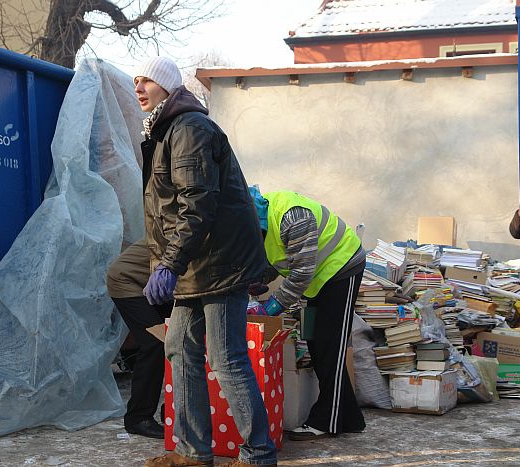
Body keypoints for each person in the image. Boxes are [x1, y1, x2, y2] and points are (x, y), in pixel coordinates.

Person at [135, 57, 277, 467]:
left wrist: (168, 266)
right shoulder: (164, 132)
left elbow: (196, 205)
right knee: (179, 348)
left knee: (226, 356)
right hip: (196, 263)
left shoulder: (190, 129)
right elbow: (167, 212)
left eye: (146, 80)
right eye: (135, 81)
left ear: (166, 86)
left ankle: (258, 455)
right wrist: (166, 264)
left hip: (219, 263)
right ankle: (193, 453)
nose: (139, 87)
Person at [249, 187, 366, 440]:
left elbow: (300, 274)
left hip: (341, 269)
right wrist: (259, 279)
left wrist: (270, 308)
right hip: (318, 281)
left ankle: (326, 421)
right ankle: (351, 418)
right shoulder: (261, 225)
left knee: (330, 346)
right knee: (314, 341)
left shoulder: (292, 218)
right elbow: (279, 257)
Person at [107, 238, 171, 439]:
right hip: (127, 282)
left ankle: (172, 410)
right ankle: (138, 418)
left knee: (181, 341)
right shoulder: (195, 228)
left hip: (155, 285)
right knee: (155, 343)